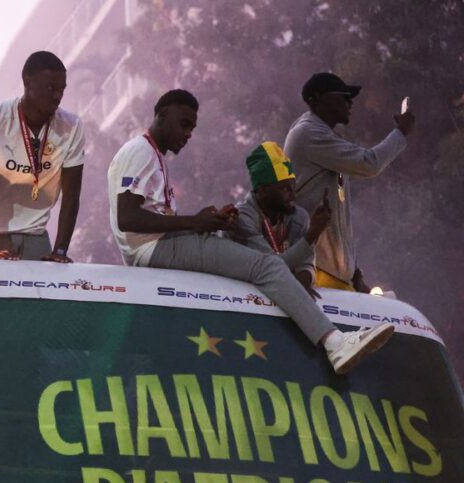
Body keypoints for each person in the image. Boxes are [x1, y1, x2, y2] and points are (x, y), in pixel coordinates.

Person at [108, 89, 394, 375]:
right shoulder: (141, 151)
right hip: (154, 248)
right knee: (266, 265)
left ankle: (333, 340)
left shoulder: (151, 155)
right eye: (184, 124)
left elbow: (152, 214)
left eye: (192, 128)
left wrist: (208, 221)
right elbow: (127, 217)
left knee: (256, 263)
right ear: (161, 115)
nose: (188, 134)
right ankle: (335, 343)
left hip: (160, 245)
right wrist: (193, 222)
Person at [284, 72, 415, 291]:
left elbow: (338, 217)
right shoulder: (308, 133)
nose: (350, 101)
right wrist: (401, 132)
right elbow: (369, 163)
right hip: (315, 275)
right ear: (317, 98)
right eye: (344, 95)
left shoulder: (321, 135)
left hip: (331, 275)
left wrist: (354, 273)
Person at [0, 50, 84, 261]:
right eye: (50, 88)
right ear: (27, 82)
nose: (57, 96)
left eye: (61, 89)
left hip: (34, 234)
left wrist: (60, 251)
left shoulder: (72, 126)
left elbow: (71, 196)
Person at [229, 141, 332, 298]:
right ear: (262, 191)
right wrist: (312, 234)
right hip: (239, 295)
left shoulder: (298, 216)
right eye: (284, 188)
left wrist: (301, 286)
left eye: (293, 185)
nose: (293, 193)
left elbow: (306, 264)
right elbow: (271, 266)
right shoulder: (242, 217)